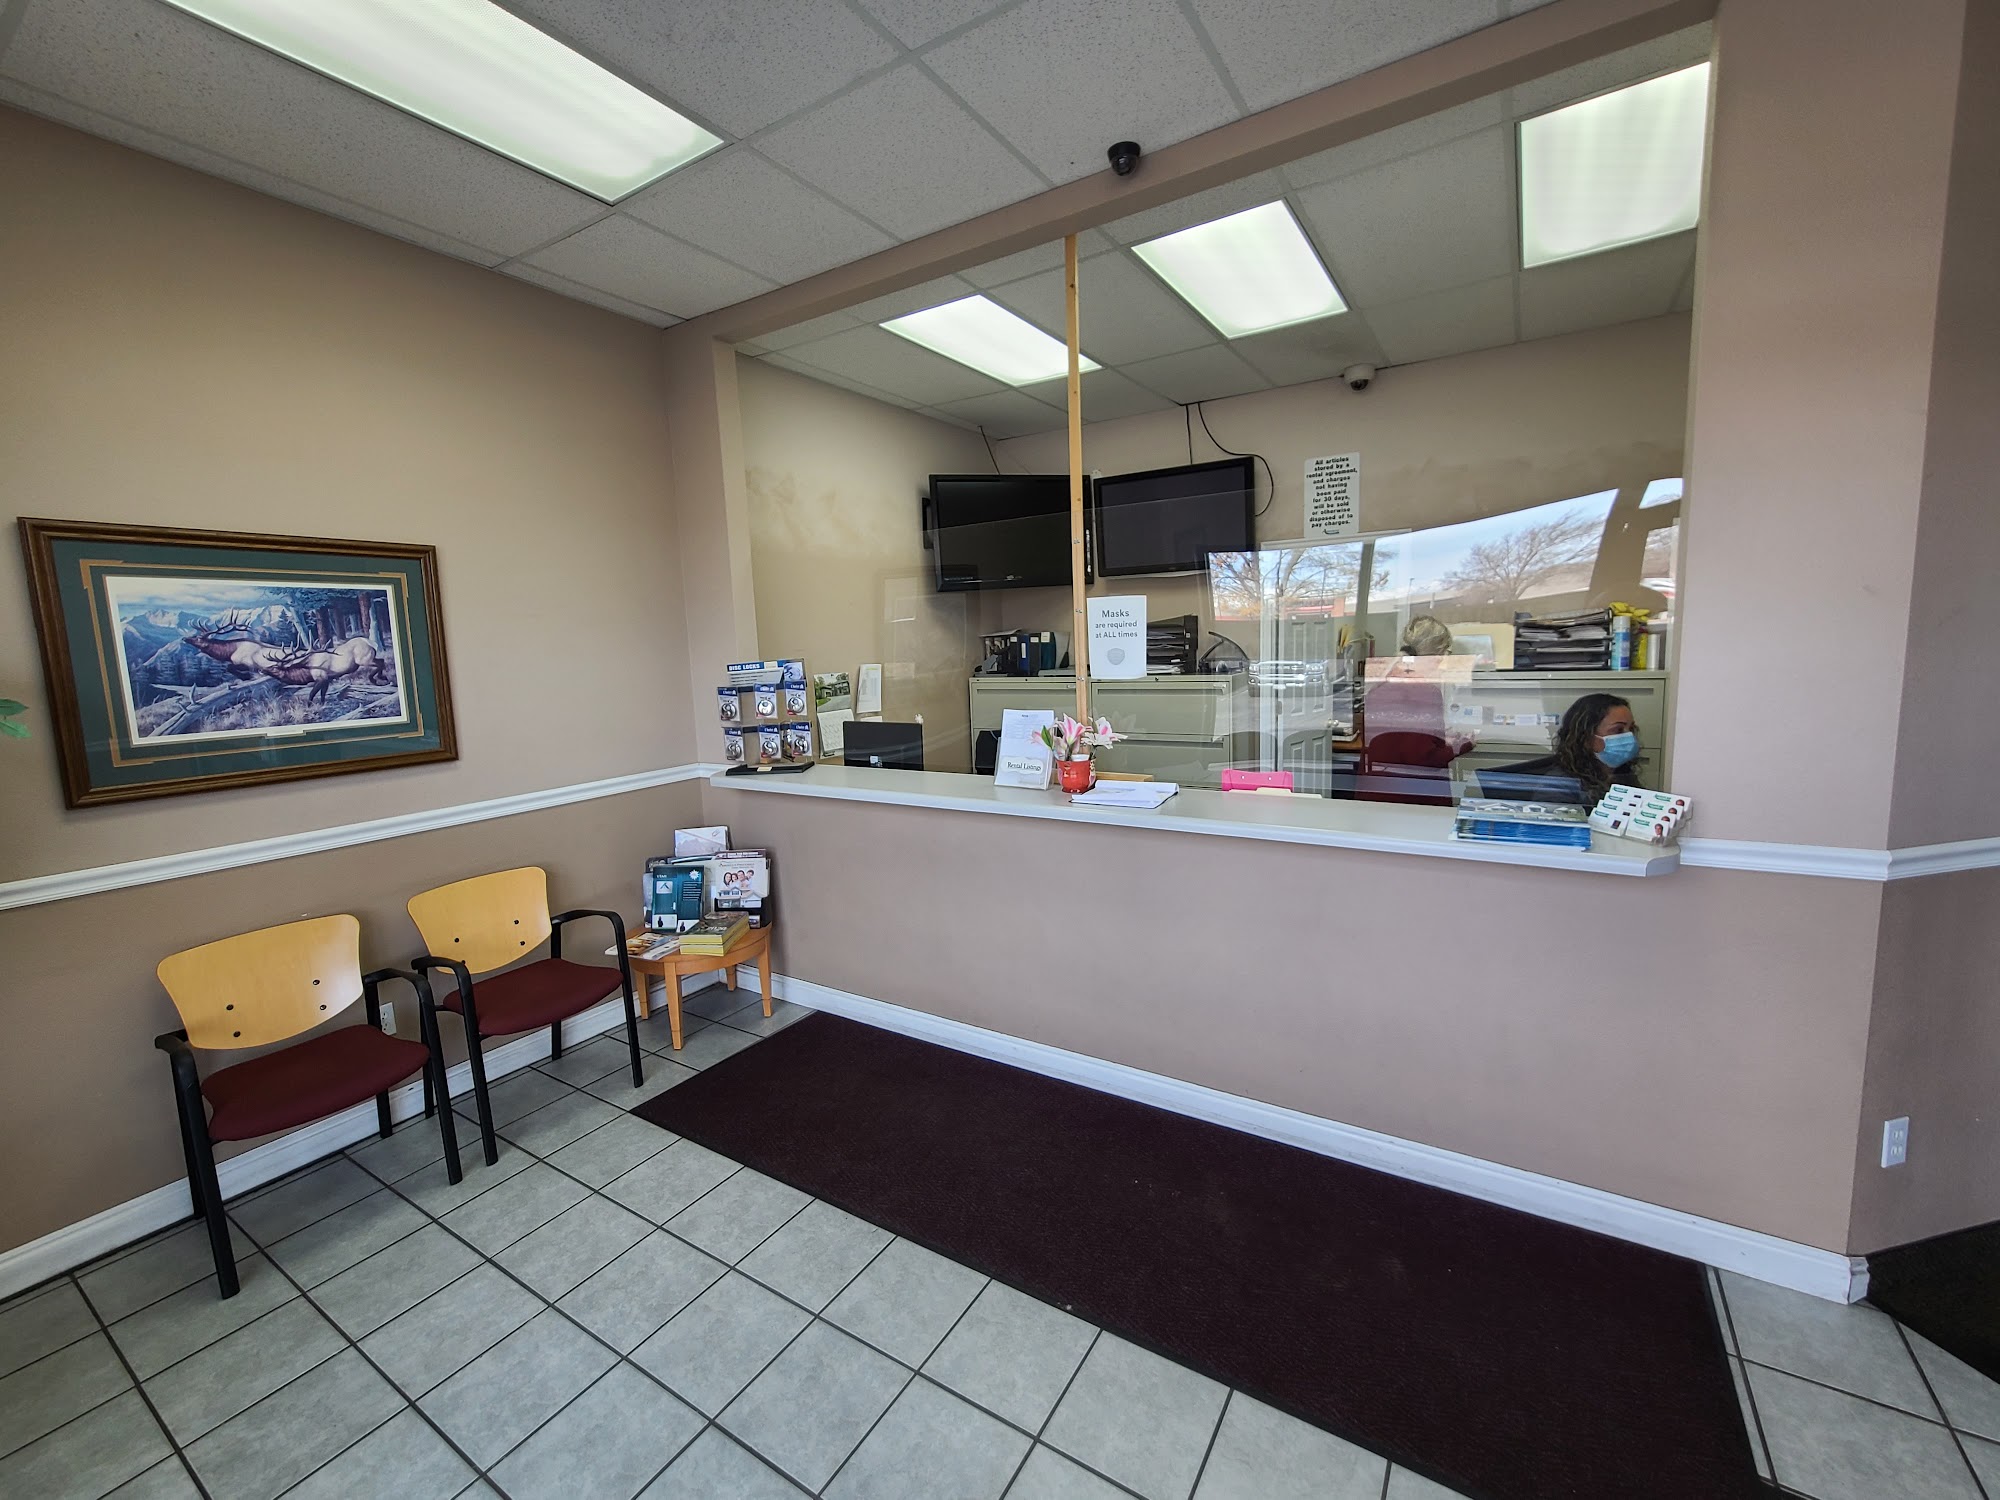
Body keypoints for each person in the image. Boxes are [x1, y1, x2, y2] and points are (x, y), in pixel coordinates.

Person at [1480, 692, 1641, 803]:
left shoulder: (1622, 774)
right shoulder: (1559, 784)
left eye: (1631, 729)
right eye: (1618, 730)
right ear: (1586, 737)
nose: (1629, 737)